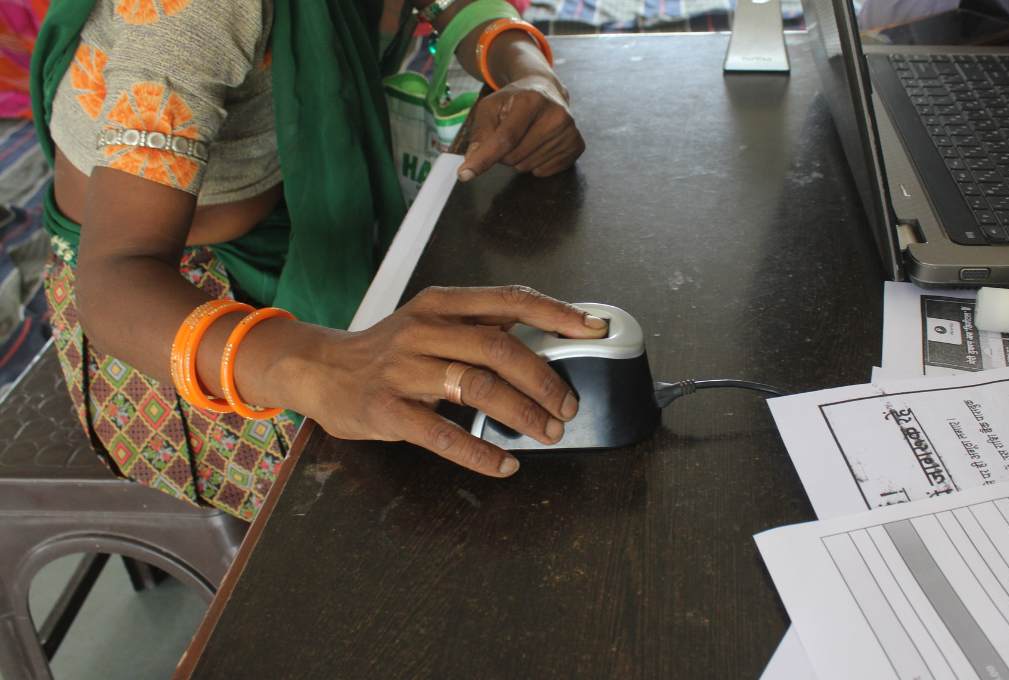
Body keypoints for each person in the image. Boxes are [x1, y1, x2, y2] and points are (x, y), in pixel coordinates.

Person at [31, 0, 592, 521]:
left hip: (298, 210)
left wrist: (527, 72)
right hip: (173, 311)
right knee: (389, 494)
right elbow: (114, 280)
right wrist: (315, 364)